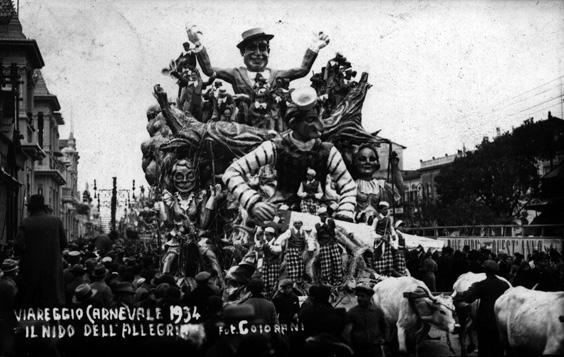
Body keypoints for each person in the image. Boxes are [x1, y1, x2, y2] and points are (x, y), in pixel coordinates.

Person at [222, 87, 357, 223]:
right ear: (294, 123)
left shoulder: (328, 151)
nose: (319, 125)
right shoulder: (275, 147)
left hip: (318, 213)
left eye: (318, 118)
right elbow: (231, 172)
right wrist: (253, 203)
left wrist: (344, 212)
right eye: (311, 119)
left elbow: (348, 185)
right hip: (281, 214)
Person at [188, 26, 329, 98]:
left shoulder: (277, 74)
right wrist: (197, 43)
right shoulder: (236, 74)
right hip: (243, 129)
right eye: (251, 48)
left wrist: (314, 47)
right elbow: (208, 70)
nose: (258, 53)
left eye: (263, 48)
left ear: (269, 51)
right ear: (242, 52)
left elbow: (302, 70)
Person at [15, 194, 67, 307]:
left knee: (33, 309)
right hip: (52, 274)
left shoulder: (26, 222)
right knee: (53, 309)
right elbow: (64, 243)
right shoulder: (56, 221)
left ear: (30, 208)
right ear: (43, 207)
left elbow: (19, 246)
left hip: (31, 275)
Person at [460, 260, 510, 357]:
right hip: (500, 322)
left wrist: (470, 289)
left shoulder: (481, 284)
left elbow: (469, 299)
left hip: (484, 322)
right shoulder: (505, 285)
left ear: (485, 271)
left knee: (484, 348)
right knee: (498, 349)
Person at [343, 283, 387, 357]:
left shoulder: (377, 311)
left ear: (369, 297)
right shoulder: (352, 312)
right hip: (359, 349)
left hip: (375, 349)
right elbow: (347, 332)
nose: (359, 298)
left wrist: (384, 339)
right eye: (358, 296)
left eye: (362, 296)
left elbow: (385, 326)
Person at [275, 220, 311, 285]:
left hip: (300, 252)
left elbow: (308, 240)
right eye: (296, 223)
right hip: (292, 251)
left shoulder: (303, 232)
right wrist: (277, 243)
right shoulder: (290, 231)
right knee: (293, 267)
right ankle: (292, 281)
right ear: (294, 224)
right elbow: (282, 237)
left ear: (301, 224)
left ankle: (298, 282)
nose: (297, 224)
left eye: (299, 223)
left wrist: (310, 247)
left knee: (300, 267)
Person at [315, 207, 343, 286]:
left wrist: (349, 232)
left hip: (333, 244)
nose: (324, 216)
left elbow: (339, 228)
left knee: (337, 262)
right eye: (322, 215)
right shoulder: (317, 225)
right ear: (319, 216)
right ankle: (327, 281)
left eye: (325, 214)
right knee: (326, 264)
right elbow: (315, 236)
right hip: (324, 246)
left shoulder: (331, 221)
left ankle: (337, 281)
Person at [371, 201, 398, 277]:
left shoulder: (389, 219)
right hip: (379, 242)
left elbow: (391, 228)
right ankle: (379, 275)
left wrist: (393, 235)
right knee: (380, 258)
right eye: (385, 209)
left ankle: (388, 274)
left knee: (388, 261)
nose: (386, 211)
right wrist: (379, 237)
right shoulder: (376, 219)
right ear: (381, 210)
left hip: (387, 241)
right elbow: (371, 231)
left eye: (387, 209)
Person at [257, 227, 283, 298]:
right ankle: (266, 296)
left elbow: (278, 251)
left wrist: (269, 247)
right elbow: (261, 254)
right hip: (265, 263)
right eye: (265, 235)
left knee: (272, 281)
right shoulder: (265, 242)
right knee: (265, 281)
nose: (266, 237)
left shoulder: (276, 242)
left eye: (267, 235)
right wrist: (259, 266)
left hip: (274, 264)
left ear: (272, 235)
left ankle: (273, 297)